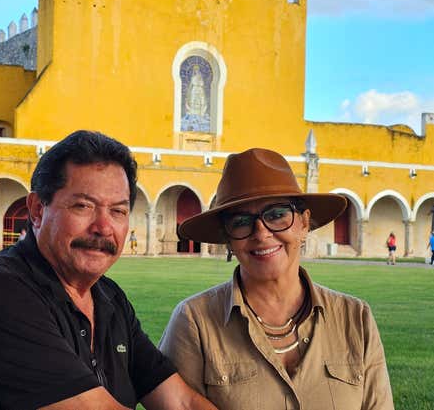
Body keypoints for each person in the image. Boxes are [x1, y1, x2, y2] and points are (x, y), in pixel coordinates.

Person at [0, 130, 217, 410]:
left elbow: (181, 402)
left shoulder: (109, 299)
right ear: (36, 210)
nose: (103, 227)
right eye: (83, 206)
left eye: (118, 211)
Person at [158, 148, 394, 410]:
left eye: (276, 214)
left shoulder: (356, 319)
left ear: (304, 224)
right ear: (228, 239)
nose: (261, 233)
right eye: (241, 221)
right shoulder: (194, 323)